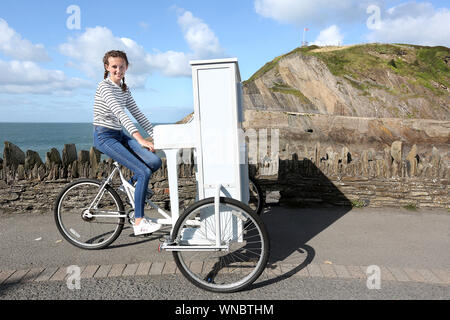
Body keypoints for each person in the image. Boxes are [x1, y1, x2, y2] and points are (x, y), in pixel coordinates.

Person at [93, 50, 162, 236]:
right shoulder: (104, 87)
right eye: (114, 66)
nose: (118, 70)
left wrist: (157, 134)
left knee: (155, 162)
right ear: (107, 68)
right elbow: (120, 113)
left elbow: (136, 112)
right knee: (143, 170)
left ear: (126, 67)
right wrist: (140, 139)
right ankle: (139, 221)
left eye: (121, 66)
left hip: (119, 134)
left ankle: (129, 185)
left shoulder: (124, 89)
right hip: (104, 136)